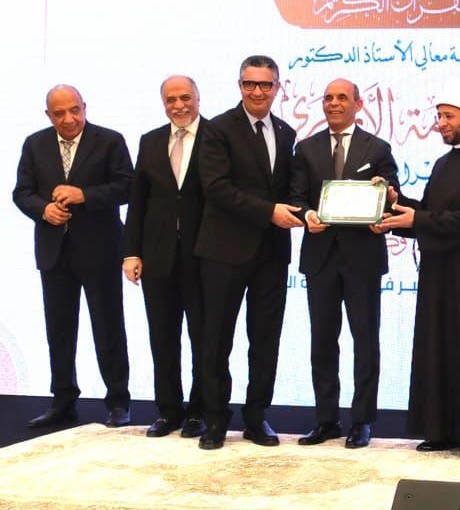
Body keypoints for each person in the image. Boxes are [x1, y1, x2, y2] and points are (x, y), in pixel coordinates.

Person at [380, 81, 460, 461]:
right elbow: (432, 212)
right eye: (439, 116)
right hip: (440, 272)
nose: (441, 123)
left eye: (448, 116)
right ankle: (443, 430)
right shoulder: (442, 163)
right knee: (439, 347)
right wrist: (395, 201)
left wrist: (416, 219)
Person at [194, 55, 302, 450]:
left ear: (277, 87)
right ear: (239, 85)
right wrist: (269, 212)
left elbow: (292, 189)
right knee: (216, 339)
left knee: (265, 339)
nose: (258, 91)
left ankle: (256, 417)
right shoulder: (218, 128)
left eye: (265, 84)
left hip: (271, 254)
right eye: (250, 84)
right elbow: (216, 187)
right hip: (224, 252)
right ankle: (215, 420)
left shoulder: (287, 132)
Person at [13, 85, 133, 428]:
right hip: (54, 253)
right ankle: (63, 401)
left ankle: (118, 402)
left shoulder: (109, 141)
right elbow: (22, 193)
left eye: (74, 110)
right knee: (59, 331)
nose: (68, 118)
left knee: (109, 327)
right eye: (59, 113)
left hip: (100, 250)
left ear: (84, 106)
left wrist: (85, 195)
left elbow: (127, 187)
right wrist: (43, 210)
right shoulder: (34, 144)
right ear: (48, 115)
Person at [289, 78, 399, 449]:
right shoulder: (306, 148)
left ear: (358, 104)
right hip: (320, 258)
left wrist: (387, 198)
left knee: (365, 341)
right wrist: (307, 215)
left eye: (342, 97)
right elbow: (296, 197)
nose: (334, 103)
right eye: (328, 98)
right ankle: (326, 420)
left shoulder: (377, 148)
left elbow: (391, 196)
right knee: (322, 341)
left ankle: (362, 421)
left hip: (362, 259)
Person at [122, 75, 208, 439]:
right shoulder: (150, 140)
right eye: (171, 99)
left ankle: (200, 412)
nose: (179, 105)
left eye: (185, 97)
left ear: (198, 99)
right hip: (157, 257)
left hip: (204, 256)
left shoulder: (216, 137)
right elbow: (138, 201)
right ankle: (169, 411)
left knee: (205, 340)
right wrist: (131, 252)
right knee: (162, 337)